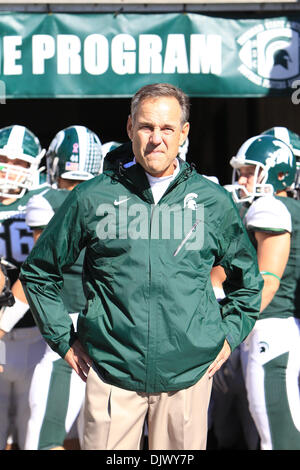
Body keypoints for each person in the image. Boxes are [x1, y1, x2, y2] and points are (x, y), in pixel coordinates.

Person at [20, 83, 263, 451]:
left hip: (188, 376)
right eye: (147, 127)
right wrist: (64, 341)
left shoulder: (212, 202)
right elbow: (39, 272)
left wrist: (228, 337)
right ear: (130, 127)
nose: (156, 139)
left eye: (167, 129)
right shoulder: (94, 196)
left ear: (184, 133)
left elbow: (247, 283)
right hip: (112, 375)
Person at [22, 125, 103, 450]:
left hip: (66, 336)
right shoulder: (117, 201)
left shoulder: (45, 201)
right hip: (112, 334)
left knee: (45, 439)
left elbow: (40, 271)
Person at [228, 133, 300, 450]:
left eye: (249, 171)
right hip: (282, 326)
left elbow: (266, 279)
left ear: (278, 174)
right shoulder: (290, 207)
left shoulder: (268, 207)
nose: (242, 179)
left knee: (278, 436)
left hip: (268, 326)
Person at [0, 124, 48, 450]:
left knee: (37, 437)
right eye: (4, 158)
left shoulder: (44, 201)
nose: (9, 169)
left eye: (19, 163)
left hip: (37, 337)